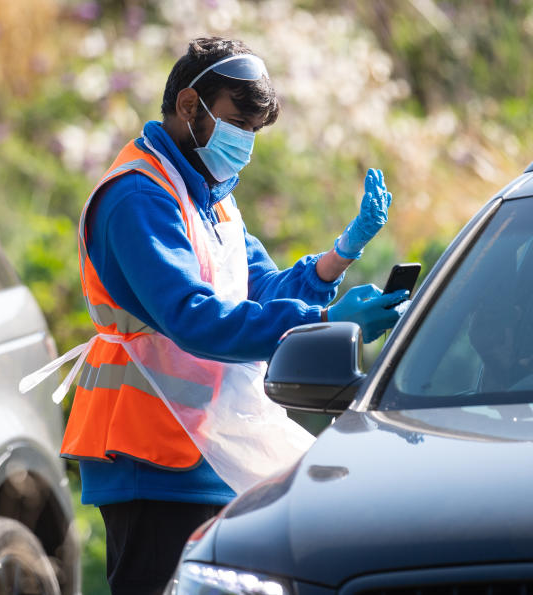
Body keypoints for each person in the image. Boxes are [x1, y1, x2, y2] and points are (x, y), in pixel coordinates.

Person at [30, 37, 406, 595]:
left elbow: (261, 289)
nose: (246, 143)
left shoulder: (209, 194)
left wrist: (338, 258)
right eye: (237, 123)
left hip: (205, 441)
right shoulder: (138, 196)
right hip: (148, 453)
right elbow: (195, 318)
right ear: (189, 106)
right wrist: (321, 321)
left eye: (254, 131)